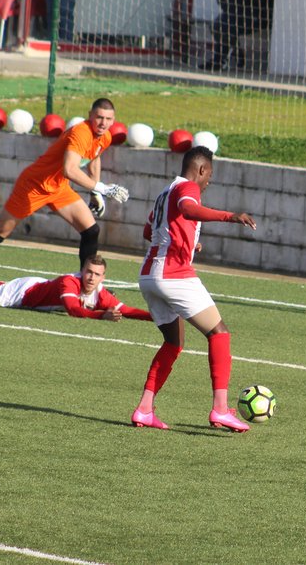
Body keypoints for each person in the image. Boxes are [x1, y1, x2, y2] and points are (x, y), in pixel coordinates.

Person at [0, 98, 128, 289]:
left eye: (108, 119)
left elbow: (94, 157)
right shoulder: (81, 132)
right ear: (90, 115)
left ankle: (85, 287)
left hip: (58, 187)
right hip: (33, 186)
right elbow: (70, 169)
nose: (103, 123)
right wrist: (102, 188)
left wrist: (95, 192)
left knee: (91, 231)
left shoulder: (105, 136)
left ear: (114, 119)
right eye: (99, 117)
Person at [130, 145, 257, 432]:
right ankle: (221, 409)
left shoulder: (165, 192)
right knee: (219, 332)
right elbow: (188, 209)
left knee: (173, 343)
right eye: (209, 174)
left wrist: (187, 242)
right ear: (201, 169)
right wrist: (230, 216)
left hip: (149, 276)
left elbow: (149, 231)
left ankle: (145, 409)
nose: (209, 180)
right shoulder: (188, 188)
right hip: (173, 274)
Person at [0, 255, 151, 321]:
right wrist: (101, 316)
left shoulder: (101, 292)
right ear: (82, 270)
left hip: (36, 286)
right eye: (88, 272)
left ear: (103, 277)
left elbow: (127, 310)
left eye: (96, 274)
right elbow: (73, 310)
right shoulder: (70, 281)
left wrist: (158, 317)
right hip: (23, 294)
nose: (91, 277)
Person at [200, 0, 248, 72]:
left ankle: (219, 60)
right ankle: (237, 51)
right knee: (215, 26)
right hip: (229, 13)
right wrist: (228, 7)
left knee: (226, 28)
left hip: (244, 15)